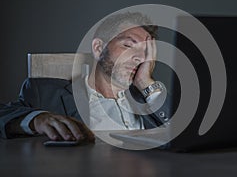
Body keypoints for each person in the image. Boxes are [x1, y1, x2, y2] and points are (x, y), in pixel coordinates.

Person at [0, 12, 172, 142]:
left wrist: (145, 82)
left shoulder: (151, 100)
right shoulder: (44, 93)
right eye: (128, 45)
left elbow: (188, 132)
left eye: (145, 53)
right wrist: (36, 120)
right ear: (98, 48)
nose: (140, 58)